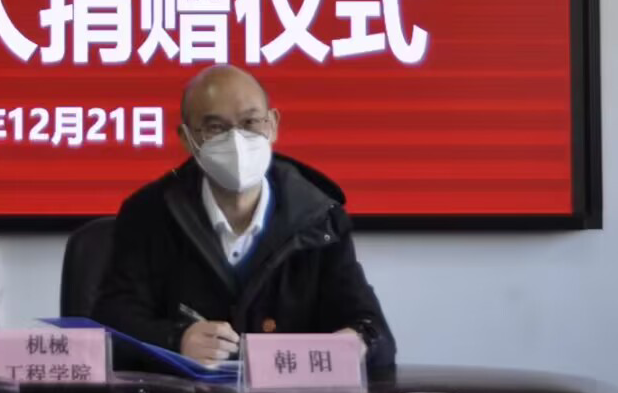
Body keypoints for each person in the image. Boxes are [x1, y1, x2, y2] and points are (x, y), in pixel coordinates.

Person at [92, 64, 395, 372]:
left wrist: (357, 343)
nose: (236, 140)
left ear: (272, 125)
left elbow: (374, 332)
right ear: (186, 138)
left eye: (250, 122)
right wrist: (175, 340)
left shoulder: (319, 218)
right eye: (215, 127)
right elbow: (110, 325)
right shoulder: (149, 212)